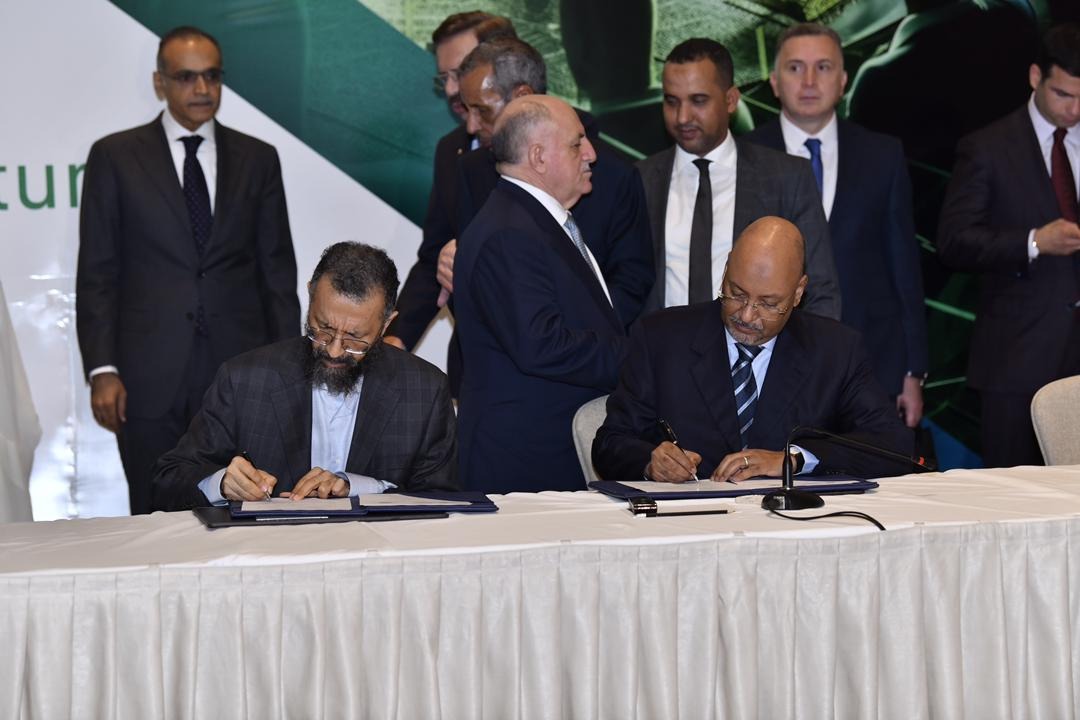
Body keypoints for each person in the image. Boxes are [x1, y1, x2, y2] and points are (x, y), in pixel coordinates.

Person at [76, 26, 300, 514]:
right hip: (146, 377)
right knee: (153, 516)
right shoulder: (115, 156)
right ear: (160, 82)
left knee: (247, 513)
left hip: (241, 373)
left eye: (212, 76)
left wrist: (291, 372)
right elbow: (97, 272)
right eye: (186, 77)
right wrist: (102, 369)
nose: (202, 88)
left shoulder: (259, 159)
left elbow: (277, 274)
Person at [593, 217, 913, 483]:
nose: (746, 315)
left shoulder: (836, 350)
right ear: (726, 270)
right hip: (688, 523)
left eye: (768, 304)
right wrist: (650, 462)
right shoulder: (661, 338)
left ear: (798, 292)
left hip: (789, 526)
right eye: (736, 293)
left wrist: (793, 460)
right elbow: (610, 443)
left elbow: (893, 445)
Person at [152, 243, 458, 511]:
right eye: (322, 329)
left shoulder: (424, 391)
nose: (334, 350)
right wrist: (221, 483)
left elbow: (442, 501)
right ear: (311, 295)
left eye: (355, 339)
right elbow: (168, 481)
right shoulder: (245, 380)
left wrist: (360, 488)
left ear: (386, 323)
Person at [743, 23, 929, 428]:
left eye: (823, 67)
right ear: (774, 81)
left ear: (843, 80)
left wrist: (913, 369)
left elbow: (904, 269)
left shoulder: (882, 155)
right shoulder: (744, 157)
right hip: (767, 362)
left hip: (871, 362)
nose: (809, 81)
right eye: (795, 68)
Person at [453, 95, 628, 493]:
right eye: (577, 143)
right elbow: (542, 345)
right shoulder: (510, 233)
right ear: (538, 156)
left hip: (543, 456)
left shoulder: (526, 221)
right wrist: (639, 356)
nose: (591, 154)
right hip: (525, 466)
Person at [937, 22, 1080, 468]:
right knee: (1016, 493)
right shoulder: (987, 147)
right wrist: (1034, 241)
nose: (1075, 109)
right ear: (1036, 77)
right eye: (1064, 94)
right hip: (1017, 361)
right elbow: (954, 241)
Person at [454, 37, 654, 330]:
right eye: (466, 110)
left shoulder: (613, 174)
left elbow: (632, 279)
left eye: (481, 109)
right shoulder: (473, 169)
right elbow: (464, 278)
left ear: (522, 95)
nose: (471, 126)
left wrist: (586, 339)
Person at [637, 38, 841, 318]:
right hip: (659, 344)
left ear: (731, 100)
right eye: (672, 101)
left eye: (698, 101)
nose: (682, 117)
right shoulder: (640, 180)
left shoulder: (787, 178)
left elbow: (820, 290)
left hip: (760, 345)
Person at [384, 13, 516, 364]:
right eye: (444, 77)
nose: (450, 90)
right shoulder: (450, 150)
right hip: (473, 363)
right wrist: (396, 339)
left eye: (461, 72)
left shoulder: (573, 149)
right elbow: (435, 259)